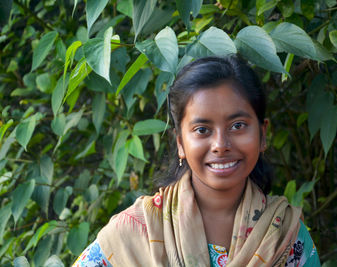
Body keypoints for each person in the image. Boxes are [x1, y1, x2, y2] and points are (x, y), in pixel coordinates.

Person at [73, 55, 320, 267]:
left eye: (238, 126)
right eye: (202, 129)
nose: (221, 145)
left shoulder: (286, 237)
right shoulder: (134, 232)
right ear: (180, 142)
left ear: (263, 134)